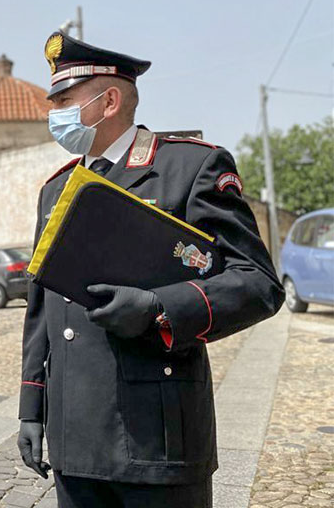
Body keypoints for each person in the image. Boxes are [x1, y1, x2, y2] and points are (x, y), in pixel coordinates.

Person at [16, 31, 284, 508]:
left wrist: (160, 308)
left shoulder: (187, 167)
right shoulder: (55, 191)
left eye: (64, 99)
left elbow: (257, 282)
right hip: (75, 437)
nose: (53, 113)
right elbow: (41, 308)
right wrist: (32, 409)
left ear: (110, 100)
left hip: (157, 437)